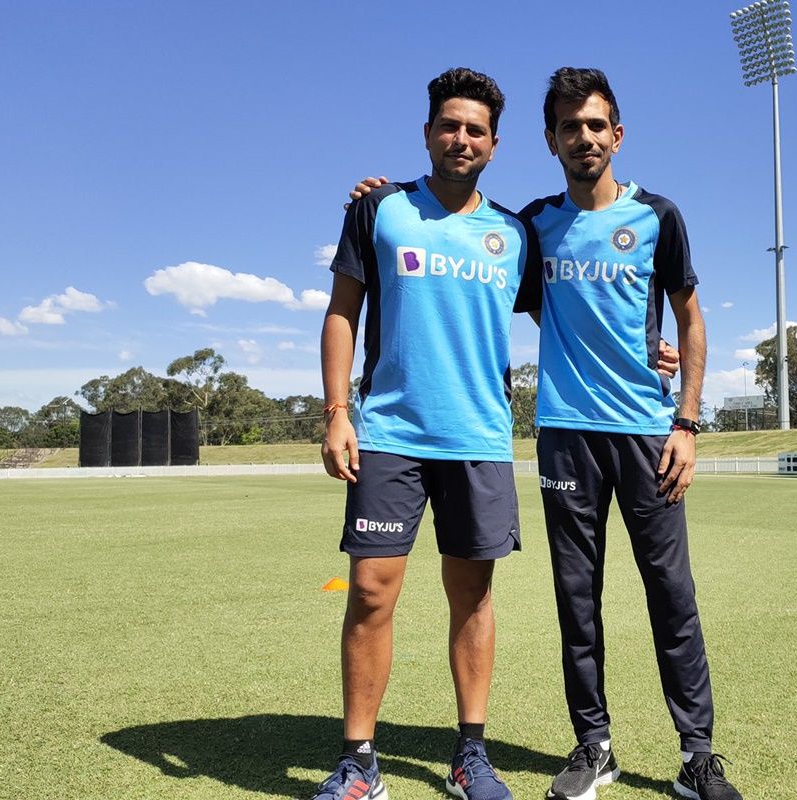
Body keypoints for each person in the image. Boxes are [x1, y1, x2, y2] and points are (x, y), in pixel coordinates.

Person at [347, 67, 736, 800]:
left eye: (595, 126)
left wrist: (687, 419)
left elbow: (689, 316)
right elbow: (491, 285)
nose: (583, 138)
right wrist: (375, 198)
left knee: (671, 593)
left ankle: (696, 754)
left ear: (616, 135)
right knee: (576, 596)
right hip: (562, 432)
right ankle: (594, 746)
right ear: (550, 140)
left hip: (649, 433)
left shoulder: (660, 217)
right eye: (568, 127)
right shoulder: (532, 226)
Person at [314, 66, 541, 800]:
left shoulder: (514, 233)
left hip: (478, 438)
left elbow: (566, 319)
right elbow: (342, 312)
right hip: (389, 432)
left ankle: (471, 754)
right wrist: (337, 413)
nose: (461, 138)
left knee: (471, 596)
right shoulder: (379, 209)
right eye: (450, 125)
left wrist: (649, 350)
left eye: (476, 129)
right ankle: (359, 762)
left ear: (495, 144)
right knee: (372, 592)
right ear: (428, 133)